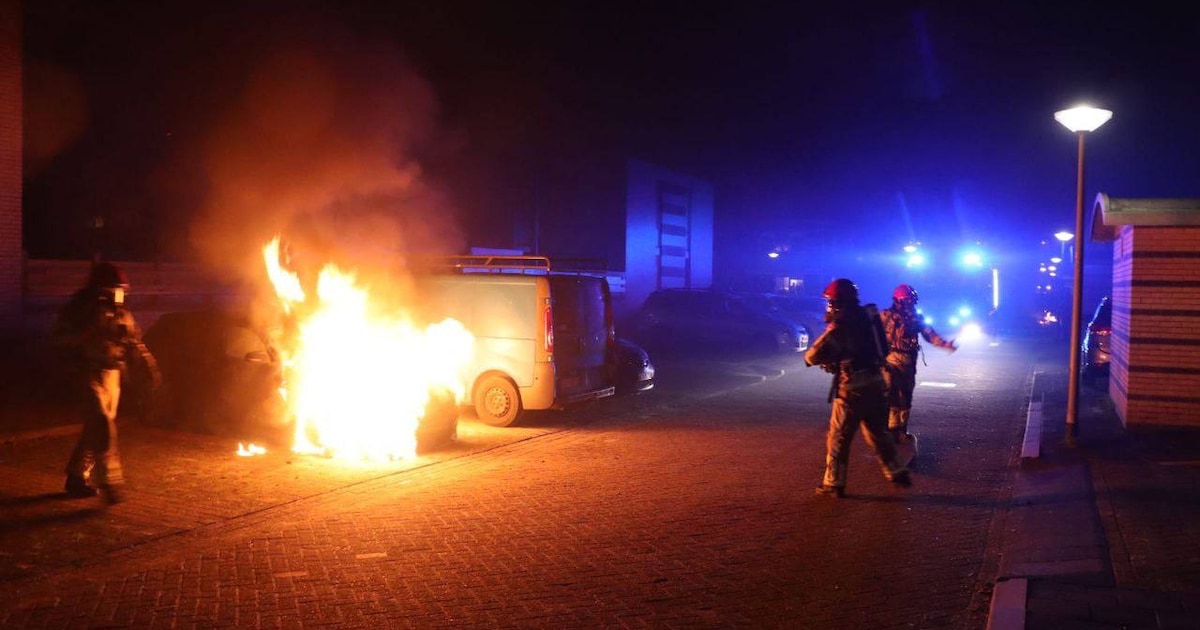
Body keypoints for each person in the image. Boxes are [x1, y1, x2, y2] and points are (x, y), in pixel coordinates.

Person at [51, 261, 160, 504]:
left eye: (121, 290)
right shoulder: (79, 310)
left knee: (97, 427)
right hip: (86, 372)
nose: (118, 295)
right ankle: (110, 481)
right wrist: (86, 334)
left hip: (112, 375)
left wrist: (148, 365)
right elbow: (58, 339)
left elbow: (134, 341)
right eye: (114, 290)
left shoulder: (121, 313)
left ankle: (77, 476)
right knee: (101, 424)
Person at [804, 278, 911, 498]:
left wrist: (829, 357)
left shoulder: (841, 326)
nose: (828, 306)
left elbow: (812, 356)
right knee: (878, 433)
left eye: (830, 302)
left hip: (851, 391)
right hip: (877, 384)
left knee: (838, 437)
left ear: (837, 302)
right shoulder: (868, 319)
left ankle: (833, 483)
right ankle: (897, 471)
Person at [880, 284, 957, 446]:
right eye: (908, 301)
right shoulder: (885, 316)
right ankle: (892, 430)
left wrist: (945, 344)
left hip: (908, 361)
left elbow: (930, 335)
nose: (911, 304)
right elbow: (872, 334)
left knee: (906, 396)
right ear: (899, 301)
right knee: (891, 395)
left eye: (912, 301)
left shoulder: (916, 318)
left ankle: (902, 429)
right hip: (890, 360)